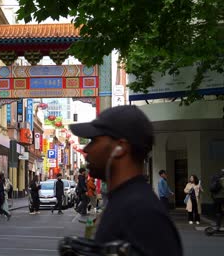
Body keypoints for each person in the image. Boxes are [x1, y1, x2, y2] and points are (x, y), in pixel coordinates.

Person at [70, 105, 182, 256]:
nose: (87, 149)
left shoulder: (142, 212)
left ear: (120, 147)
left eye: (94, 140)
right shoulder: (121, 200)